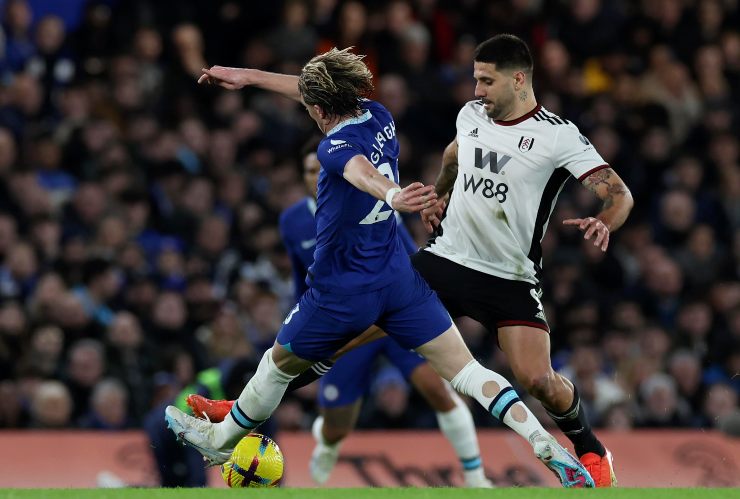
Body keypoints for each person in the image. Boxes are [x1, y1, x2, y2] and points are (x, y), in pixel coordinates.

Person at [164, 47, 594, 488]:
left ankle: (220, 439)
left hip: (342, 293)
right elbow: (314, 95)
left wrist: (391, 195)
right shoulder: (379, 114)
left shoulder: (332, 147)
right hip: (399, 280)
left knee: (276, 366)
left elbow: (360, 172)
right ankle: (544, 442)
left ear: (318, 110)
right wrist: (248, 76)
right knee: (467, 373)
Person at [191, 137, 493, 487]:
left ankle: (476, 479)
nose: (315, 176)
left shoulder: (366, 199)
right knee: (337, 425)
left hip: (391, 317)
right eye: (308, 171)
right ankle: (328, 441)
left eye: (321, 169)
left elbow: (408, 260)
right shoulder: (292, 222)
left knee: (440, 390)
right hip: (344, 327)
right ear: (302, 176)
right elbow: (303, 278)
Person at [415, 34, 634, 487]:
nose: (477, 91)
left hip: (508, 277)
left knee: (538, 380)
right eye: (475, 79)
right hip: (446, 259)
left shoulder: (558, 135)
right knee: (359, 319)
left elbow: (619, 193)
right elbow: (455, 155)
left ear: (519, 80)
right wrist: (438, 193)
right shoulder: (470, 115)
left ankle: (592, 449)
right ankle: (248, 410)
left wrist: (605, 221)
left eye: (486, 81)